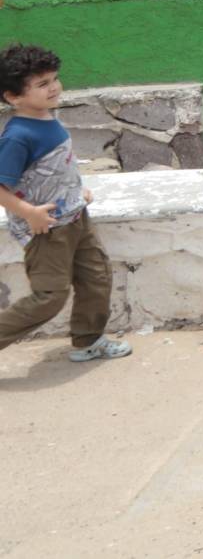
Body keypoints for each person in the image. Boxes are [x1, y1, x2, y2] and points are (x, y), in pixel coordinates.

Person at [0, 44, 131, 364]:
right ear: (13, 97)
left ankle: (88, 341)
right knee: (49, 297)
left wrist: (77, 189)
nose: (54, 87)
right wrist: (29, 213)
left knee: (97, 277)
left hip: (75, 217)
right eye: (42, 84)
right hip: (47, 231)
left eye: (54, 79)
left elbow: (56, 165)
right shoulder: (17, 136)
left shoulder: (48, 118)